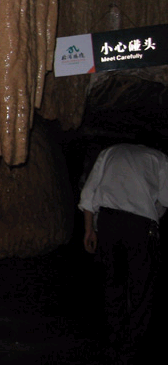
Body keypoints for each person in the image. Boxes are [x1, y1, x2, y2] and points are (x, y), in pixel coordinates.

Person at [79, 143, 168, 362]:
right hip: (140, 225)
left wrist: (89, 229)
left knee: (113, 283)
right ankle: (131, 348)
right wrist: (153, 218)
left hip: (109, 223)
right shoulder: (159, 158)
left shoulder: (109, 151)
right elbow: (165, 199)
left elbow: (89, 193)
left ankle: (113, 342)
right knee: (141, 288)